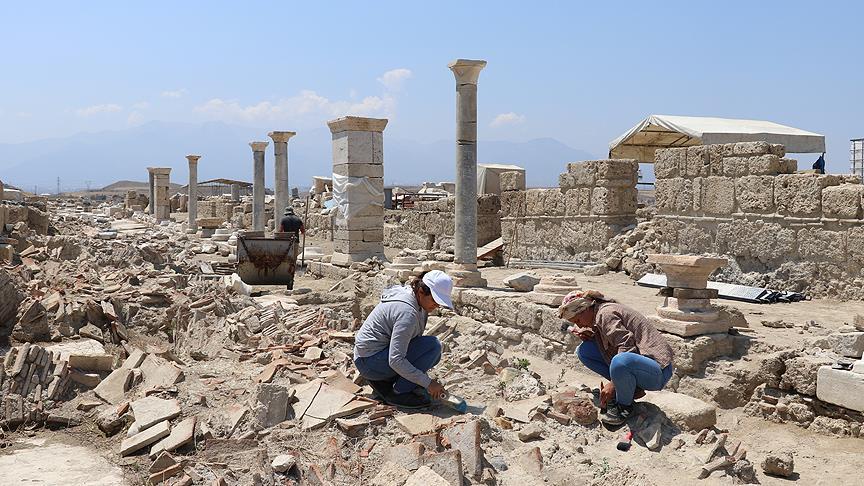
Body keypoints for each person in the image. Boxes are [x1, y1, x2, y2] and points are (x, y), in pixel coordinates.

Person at [558, 290, 674, 425]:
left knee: (620, 361)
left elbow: (628, 347)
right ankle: (627, 390)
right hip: (640, 365)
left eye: (578, 320)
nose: (578, 325)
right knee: (585, 351)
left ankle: (624, 407)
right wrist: (593, 335)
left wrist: (612, 384)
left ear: (585, 309)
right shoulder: (598, 313)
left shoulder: (605, 314)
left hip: (658, 372)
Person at [354, 270, 453, 408]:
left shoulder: (418, 301)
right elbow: (396, 359)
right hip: (369, 362)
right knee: (432, 347)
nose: (437, 306)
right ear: (421, 292)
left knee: (432, 351)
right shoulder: (407, 312)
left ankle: (386, 381)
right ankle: (397, 393)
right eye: (435, 300)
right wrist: (428, 383)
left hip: (371, 357)